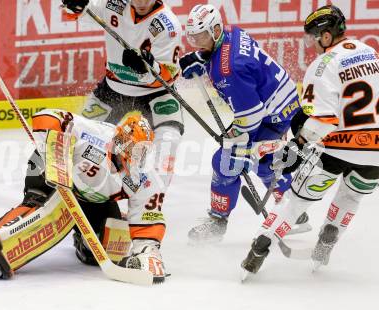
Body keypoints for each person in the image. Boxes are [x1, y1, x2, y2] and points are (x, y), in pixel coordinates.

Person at [241, 5, 379, 276]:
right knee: (351, 196)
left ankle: (260, 247)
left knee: (296, 201)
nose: (312, 44)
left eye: (313, 37)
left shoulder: (324, 64)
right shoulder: (372, 53)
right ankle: (329, 236)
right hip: (377, 151)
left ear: (326, 36)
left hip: (339, 147)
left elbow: (322, 120)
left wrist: (298, 144)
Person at [0, 110, 169, 283]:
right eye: (136, 149)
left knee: (109, 242)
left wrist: (147, 251)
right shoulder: (93, 134)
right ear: (121, 141)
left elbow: (146, 219)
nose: (139, 157)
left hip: (94, 197)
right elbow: (47, 115)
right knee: (45, 212)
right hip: (50, 172)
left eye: (144, 151)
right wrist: (56, 153)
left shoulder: (144, 177)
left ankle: (83, 240)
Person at [61, 0, 183, 260]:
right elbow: (78, 13)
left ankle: (149, 211)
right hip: (112, 88)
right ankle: (85, 222)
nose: (140, 2)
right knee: (78, 142)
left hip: (157, 93)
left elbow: (170, 74)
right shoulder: (112, 4)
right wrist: (74, 5)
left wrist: (147, 68)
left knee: (169, 142)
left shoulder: (168, 24)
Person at [178, 4, 307, 244]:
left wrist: (232, 134)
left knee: (226, 162)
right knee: (266, 161)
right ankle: (294, 211)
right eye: (194, 38)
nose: (198, 43)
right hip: (282, 103)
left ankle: (217, 222)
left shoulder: (229, 71)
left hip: (270, 114)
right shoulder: (232, 32)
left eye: (202, 37)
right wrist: (201, 57)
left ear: (216, 30)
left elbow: (251, 116)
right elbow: (229, 58)